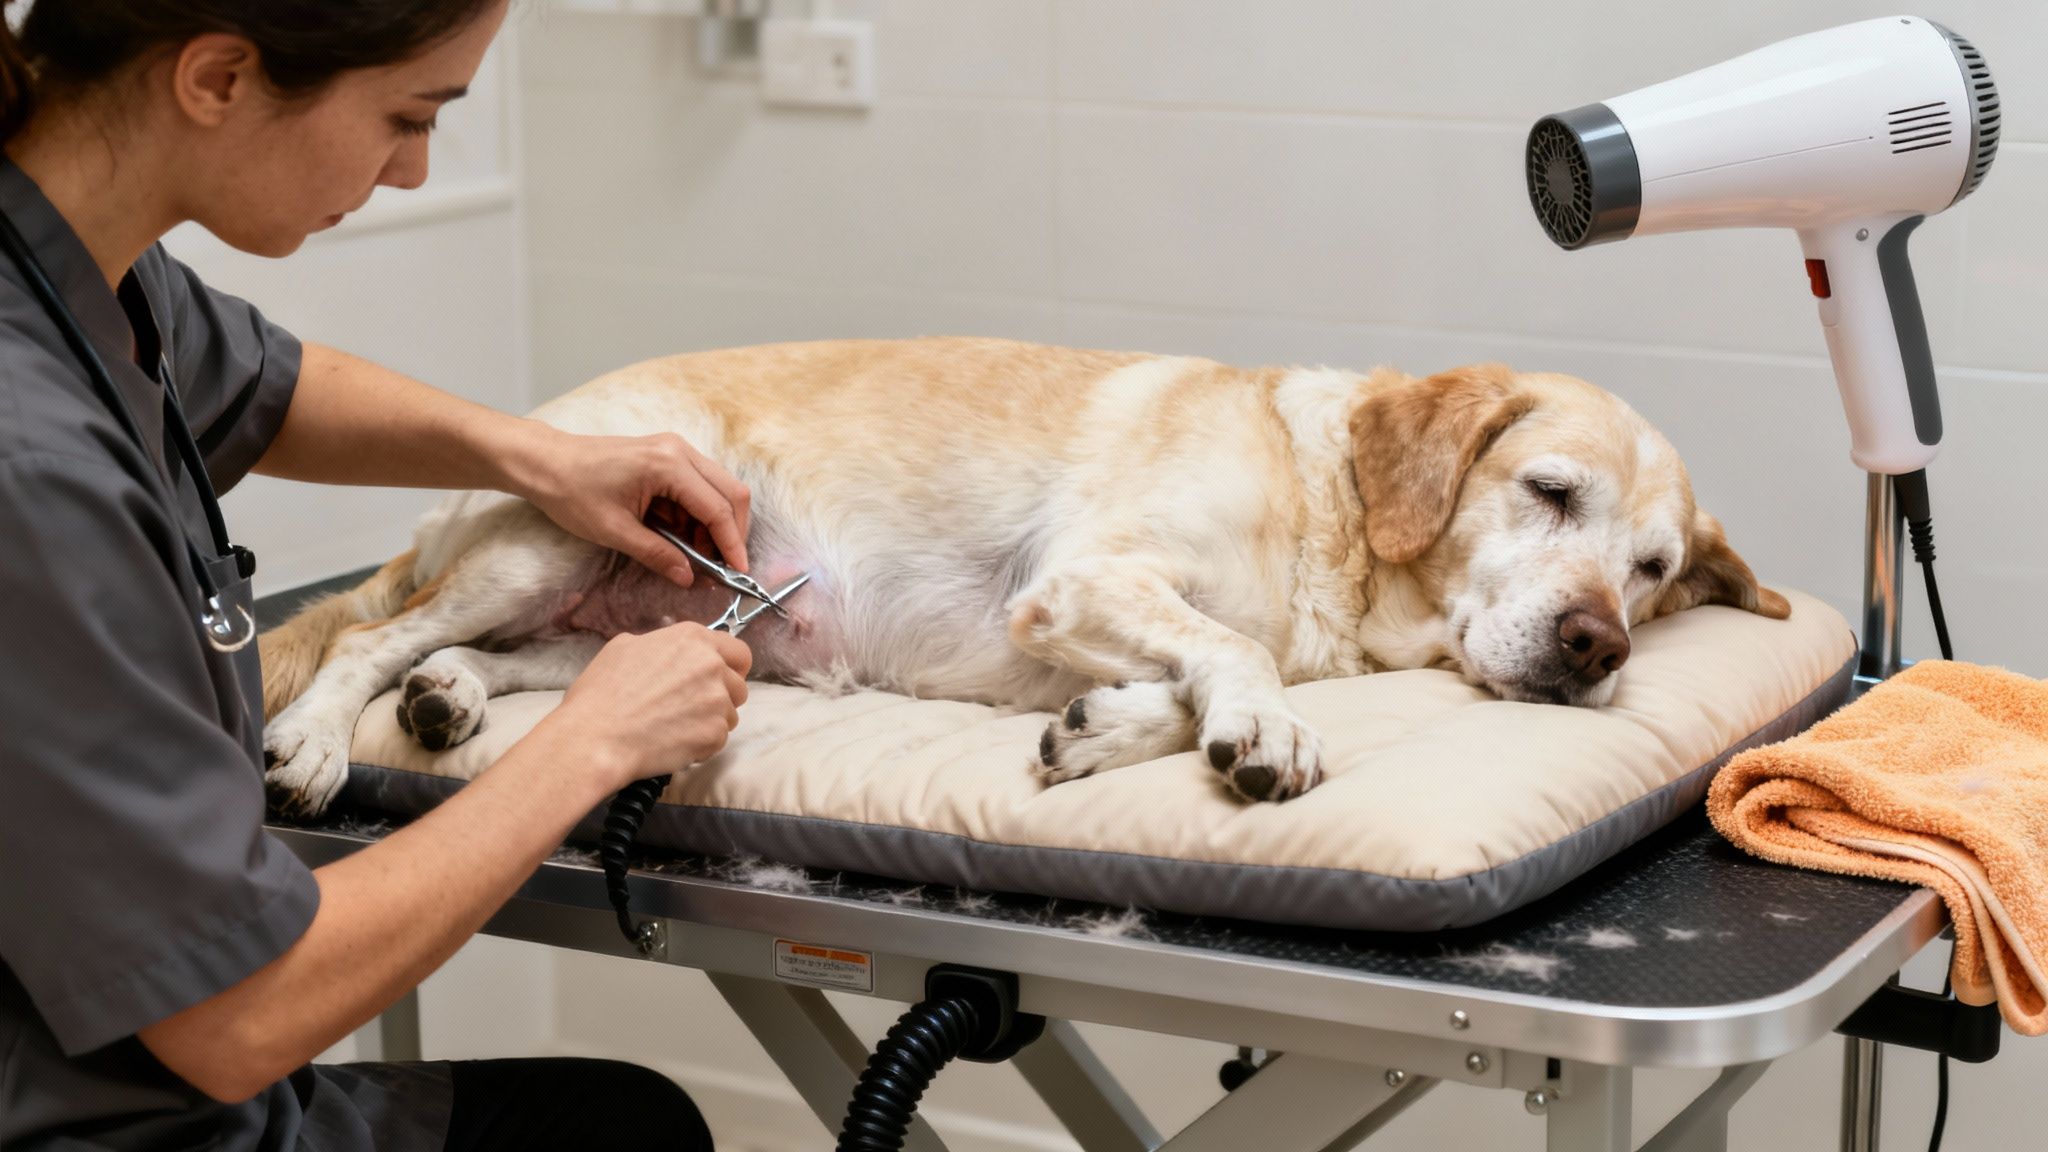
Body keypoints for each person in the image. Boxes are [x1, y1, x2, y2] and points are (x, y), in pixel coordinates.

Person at [0, 2, 757, 1148]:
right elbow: (237, 1015)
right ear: (217, 78)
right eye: (408, 116)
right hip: (104, 1122)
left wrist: (541, 457)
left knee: (623, 1118)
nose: (411, 172)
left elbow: (267, 386)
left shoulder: (68, 263)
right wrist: (591, 741)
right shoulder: (31, 474)